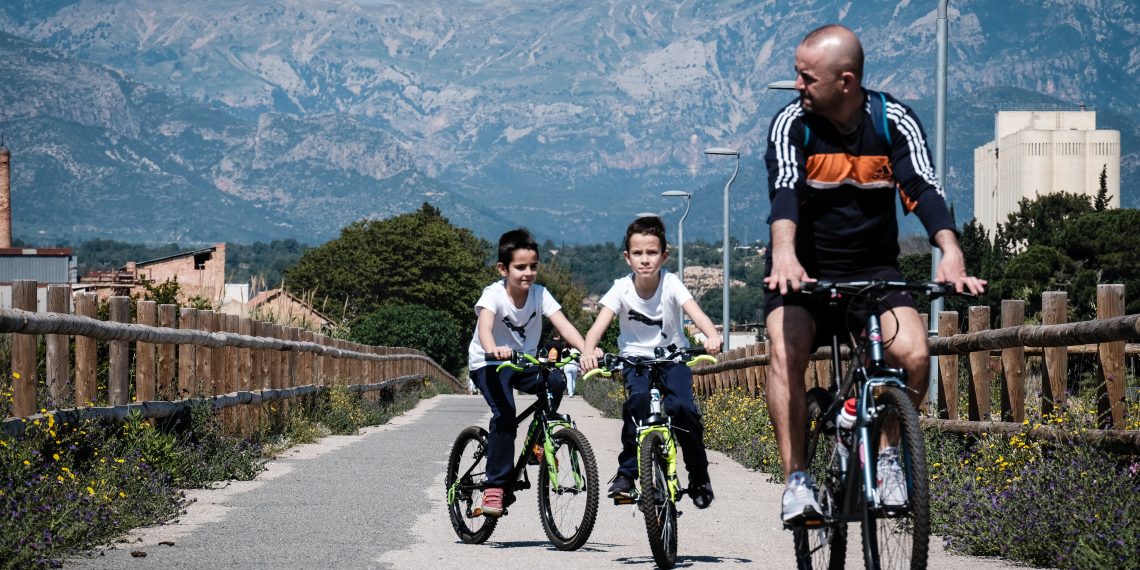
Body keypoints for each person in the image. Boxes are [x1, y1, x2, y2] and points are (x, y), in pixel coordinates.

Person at [763, 24, 987, 524]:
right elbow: (783, 191)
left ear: (845, 81)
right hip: (802, 272)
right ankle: (797, 480)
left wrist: (950, 251)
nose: (797, 86)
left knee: (914, 352)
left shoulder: (893, 122)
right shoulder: (792, 126)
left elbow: (923, 189)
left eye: (805, 77)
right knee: (785, 348)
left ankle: (887, 459)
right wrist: (784, 254)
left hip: (873, 270)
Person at [579, 215, 723, 509]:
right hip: (635, 361)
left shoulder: (671, 283)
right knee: (638, 403)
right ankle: (627, 474)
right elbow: (598, 326)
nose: (645, 260)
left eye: (652, 252)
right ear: (627, 257)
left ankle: (698, 474)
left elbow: (695, 313)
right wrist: (588, 350)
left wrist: (711, 336)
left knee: (682, 408)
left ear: (664, 255)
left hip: (672, 358)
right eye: (638, 253)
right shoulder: (621, 288)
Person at [467, 228, 590, 518]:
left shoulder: (540, 294)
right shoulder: (493, 294)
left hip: (524, 362)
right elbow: (485, 328)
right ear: (503, 268)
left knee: (556, 380)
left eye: (533, 266)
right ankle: (495, 487)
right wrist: (494, 348)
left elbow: (564, 325)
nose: (528, 273)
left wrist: (586, 349)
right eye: (520, 267)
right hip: (488, 363)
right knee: (506, 416)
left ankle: (537, 442)